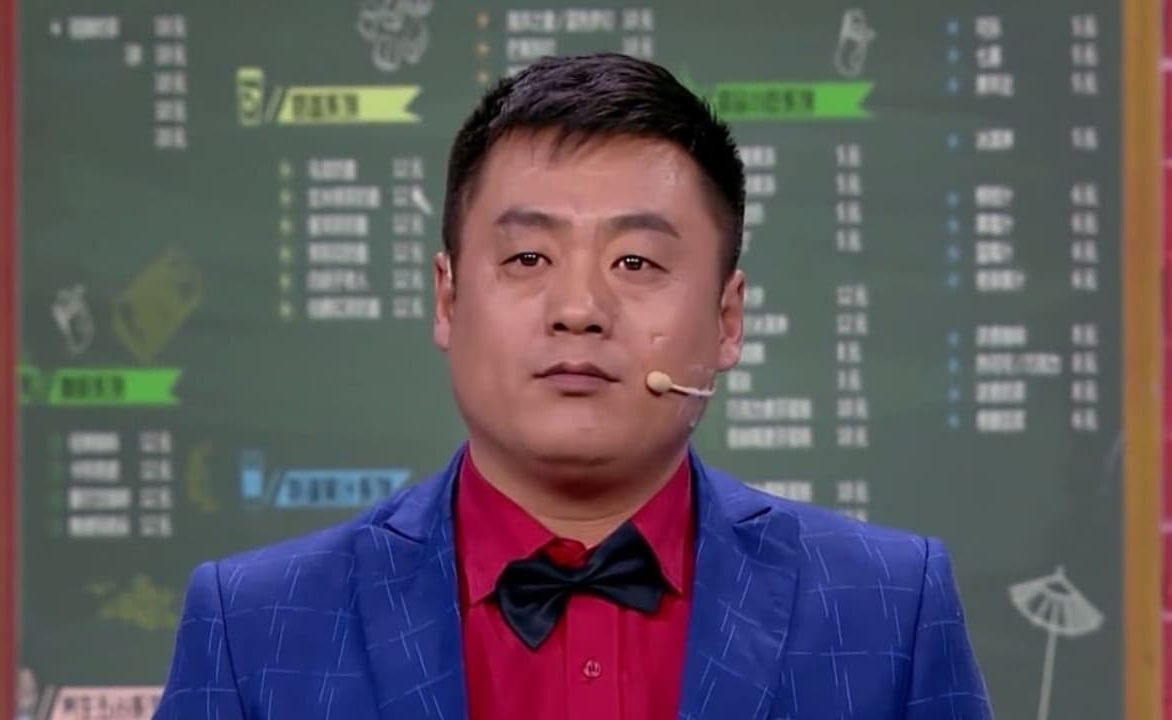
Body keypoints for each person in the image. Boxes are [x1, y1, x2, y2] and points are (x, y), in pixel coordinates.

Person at [154, 52, 992, 720]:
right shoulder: (255, 626)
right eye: (528, 258)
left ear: (727, 319)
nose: (580, 309)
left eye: (637, 262)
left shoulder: (888, 607)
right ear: (447, 298)